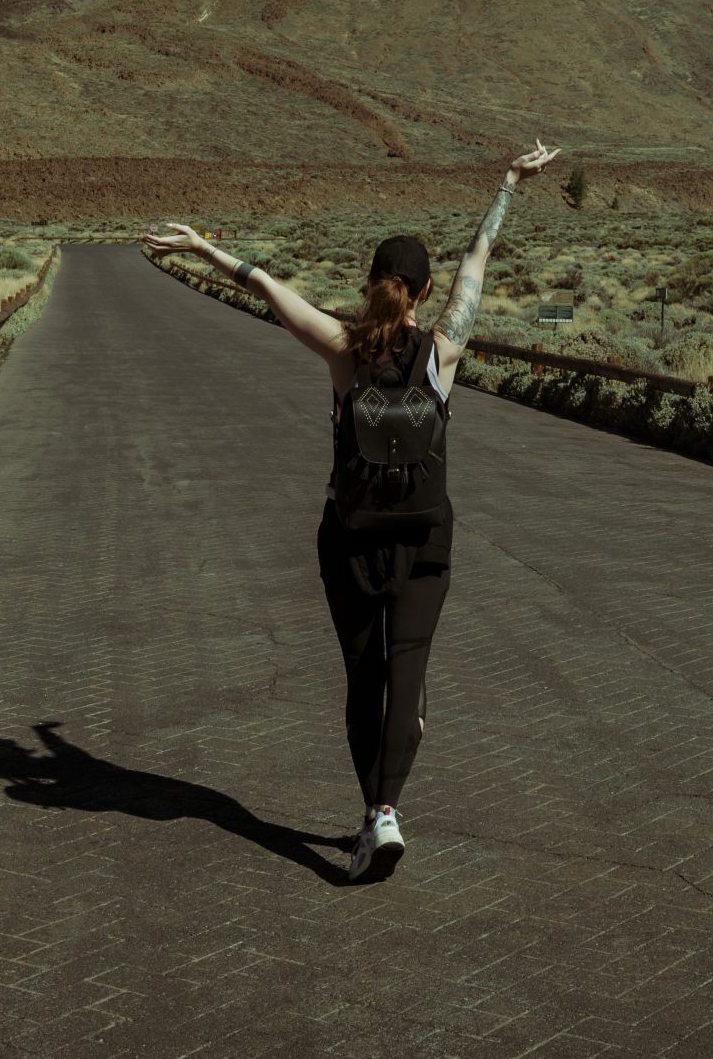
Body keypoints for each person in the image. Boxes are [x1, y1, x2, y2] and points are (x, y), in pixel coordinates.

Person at [140, 139, 562, 883]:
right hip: (426, 540)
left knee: (364, 678)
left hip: (352, 541)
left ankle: (375, 815)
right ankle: (390, 806)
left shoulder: (342, 349)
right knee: (408, 671)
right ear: (422, 292)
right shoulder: (444, 350)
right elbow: (477, 259)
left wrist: (202, 247)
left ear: (370, 286)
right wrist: (507, 182)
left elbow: (264, 285)